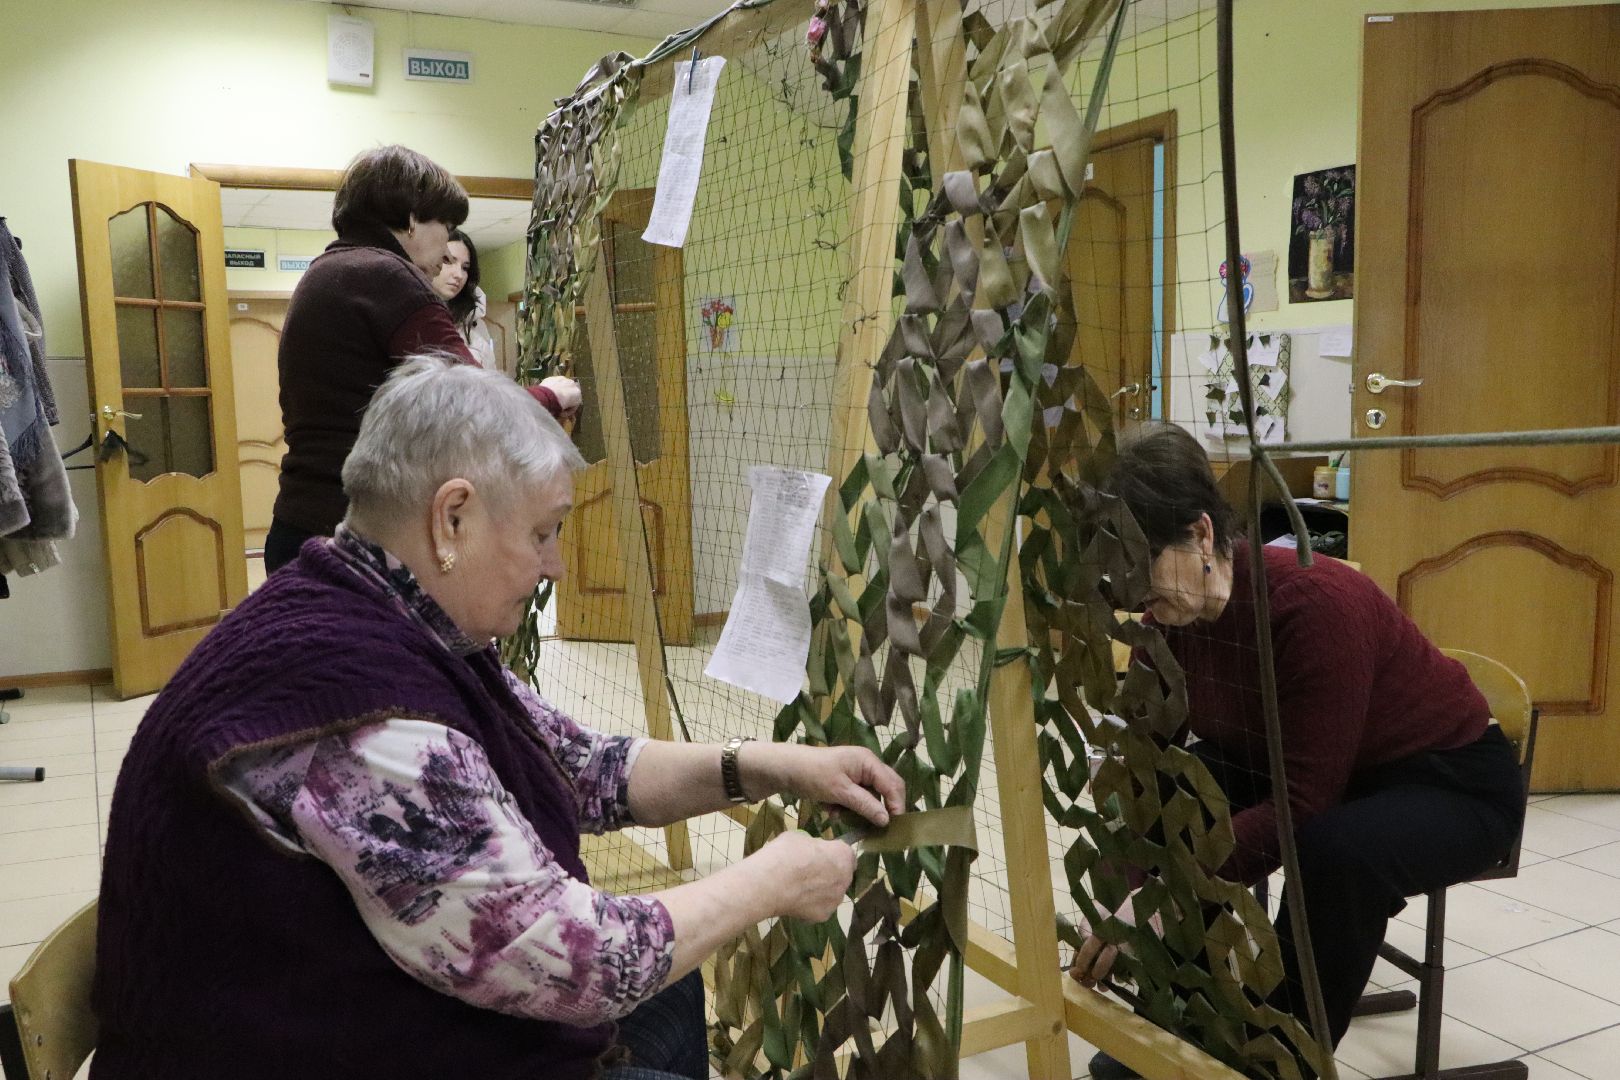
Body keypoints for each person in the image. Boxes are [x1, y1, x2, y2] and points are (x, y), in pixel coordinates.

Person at [93, 356, 900, 1080]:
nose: (554, 565)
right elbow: (584, 965)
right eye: (544, 533)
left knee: (673, 990)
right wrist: (775, 879)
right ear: (453, 518)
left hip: (345, 1011)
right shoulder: (369, 724)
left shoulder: (379, 613)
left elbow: (586, 767)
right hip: (286, 1049)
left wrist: (764, 765)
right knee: (650, 991)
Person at [1070, 424, 1524, 1079]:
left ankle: (1280, 1062)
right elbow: (1145, 772)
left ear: (1201, 534)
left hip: (1447, 784)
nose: (1142, 602)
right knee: (1172, 796)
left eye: (1145, 577)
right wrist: (1139, 895)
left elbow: (1303, 807)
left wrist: (1165, 899)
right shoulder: (1164, 622)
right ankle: (1178, 1036)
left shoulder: (1315, 604)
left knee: (1334, 853)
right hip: (1312, 773)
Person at [266, 145, 580, 574]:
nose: (446, 246)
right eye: (446, 225)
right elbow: (475, 402)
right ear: (412, 219)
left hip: (298, 524)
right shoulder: (388, 276)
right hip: (358, 536)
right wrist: (551, 395)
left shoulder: (324, 273)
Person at [432, 228, 497, 367]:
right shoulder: (407, 314)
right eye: (448, 261)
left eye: (465, 267)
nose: (459, 275)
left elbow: (491, 382)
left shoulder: (475, 324)